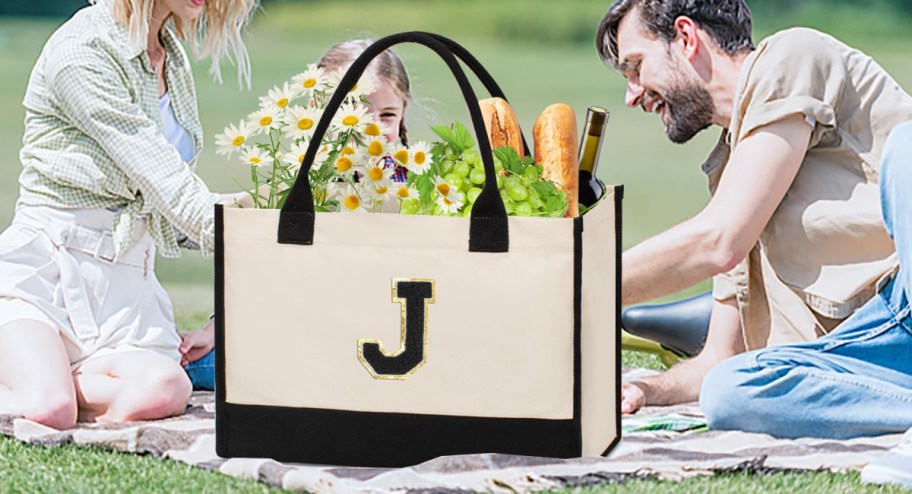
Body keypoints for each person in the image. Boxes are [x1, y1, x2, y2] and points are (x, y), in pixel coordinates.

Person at [595, 0, 911, 443]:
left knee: (909, 150)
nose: (631, 95)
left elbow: (720, 240)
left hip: (904, 297)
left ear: (686, 38)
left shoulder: (791, 54)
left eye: (636, 67)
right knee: (730, 391)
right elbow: (720, 358)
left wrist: (577, 282)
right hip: (863, 355)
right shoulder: (733, 174)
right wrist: (645, 388)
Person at [0, 0, 258, 429]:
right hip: (45, 278)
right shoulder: (82, 51)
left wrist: (278, 213)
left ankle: (56, 378)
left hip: (124, 292)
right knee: (49, 410)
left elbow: (166, 212)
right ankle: (47, 381)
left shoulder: (169, 54)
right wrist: (260, 230)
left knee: (165, 387)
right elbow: (171, 188)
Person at [181, 38, 415, 390]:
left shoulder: (413, 185)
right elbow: (252, 259)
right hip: (301, 333)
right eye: (355, 110)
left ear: (403, 113)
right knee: (200, 365)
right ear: (320, 109)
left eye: (386, 115)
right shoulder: (304, 185)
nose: (371, 128)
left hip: (384, 338)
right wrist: (217, 328)